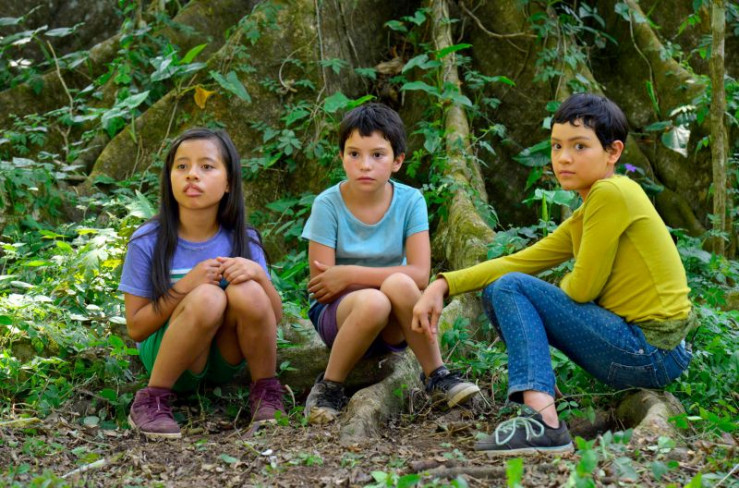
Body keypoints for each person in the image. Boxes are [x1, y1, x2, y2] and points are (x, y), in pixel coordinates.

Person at [412, 93, 694, 456]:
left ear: (613, 152)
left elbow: (582, 289)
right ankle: (542, 401)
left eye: (579, 146)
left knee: (509, 288)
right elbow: (519, 261)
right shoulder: (592, 208)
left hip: (649, 350)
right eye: (557, 146)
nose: (563, 158)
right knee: (501, 286)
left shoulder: (611, 193)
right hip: (652, 352)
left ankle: (543, 422)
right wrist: (444, 283)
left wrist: (563, 283)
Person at [301, 103, 480, 424]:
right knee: (376, 300)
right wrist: (358, 283)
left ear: (397, 161)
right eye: (354, 154)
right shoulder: (328, 204)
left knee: (399, 285)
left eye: (377, 155)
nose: (365, 165)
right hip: (338, 316)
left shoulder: (410, 201)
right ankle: (329, 386)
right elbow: (323, 286)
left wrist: (350, 273)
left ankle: (437, 375)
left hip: (394, 323)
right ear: (341, 157)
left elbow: (419, 275)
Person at [119, 128, 286, 439]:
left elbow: (273, 317)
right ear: (169, 178)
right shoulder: (147, 241)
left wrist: (259, 275)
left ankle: (266, 393)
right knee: (209, 296)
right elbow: (137, 328)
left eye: (207, 166)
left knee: (248, 289)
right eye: (182, 166)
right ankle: (152, 400)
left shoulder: (244, 238)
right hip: (169, 358)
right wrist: (186, 286)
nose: (192, 175)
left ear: (229, 182)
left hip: (224, 357)